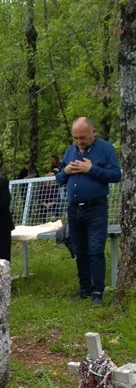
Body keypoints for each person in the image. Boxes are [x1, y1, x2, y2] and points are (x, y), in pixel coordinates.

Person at [55, 116, 122, 306]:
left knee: (95, 250)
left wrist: (91, 169)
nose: (79, 142)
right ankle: (84, 288)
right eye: (75, 138)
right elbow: (59, 179)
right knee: (80, 250)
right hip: (74, 209)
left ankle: (97, 293)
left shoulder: (105, 150)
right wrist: (66, 171)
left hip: (96, 209)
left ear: (93, 132)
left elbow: (116, 175)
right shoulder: (70, 152)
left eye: (82, 137)